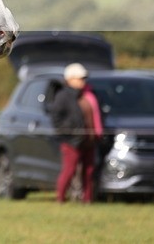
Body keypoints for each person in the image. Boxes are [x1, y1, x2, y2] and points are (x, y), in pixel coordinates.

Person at [49, 62, 100, 203]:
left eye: (83, 78)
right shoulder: (63, 96)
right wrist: (70, 131)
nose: (82, 81)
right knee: (69, 170)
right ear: (70, 79)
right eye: (80, 78)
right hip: (71, 140)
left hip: (87, 139)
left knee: (89, 170)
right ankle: (60, 198)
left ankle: (87, 199)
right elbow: (56, 118)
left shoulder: (88, 95)